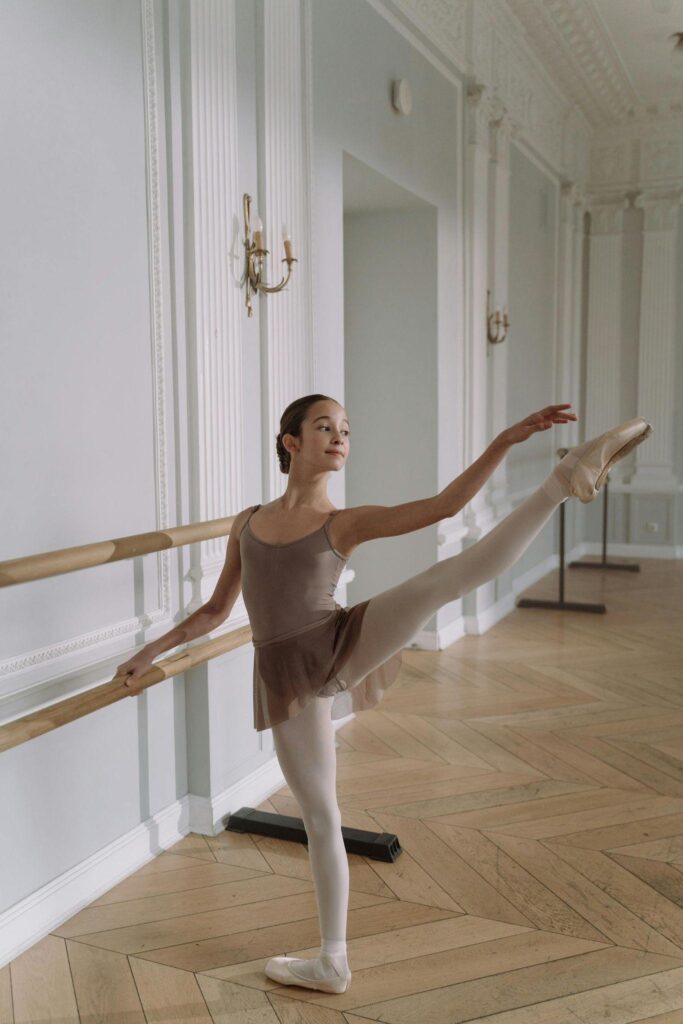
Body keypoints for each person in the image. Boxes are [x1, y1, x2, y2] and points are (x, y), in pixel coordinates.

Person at [117, 393, 652, 995]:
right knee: (321, 816)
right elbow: (216, 609)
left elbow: (446, 506)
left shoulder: (342, 522)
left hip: (340, 637)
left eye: (346, 428)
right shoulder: (247, 523)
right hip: (287, 675)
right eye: (325, 427)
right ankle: (332, 961)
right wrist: (148, 651)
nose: (340, 436)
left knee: (444, 578)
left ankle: (563, 479)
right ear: (291, 441)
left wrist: (505, 441)